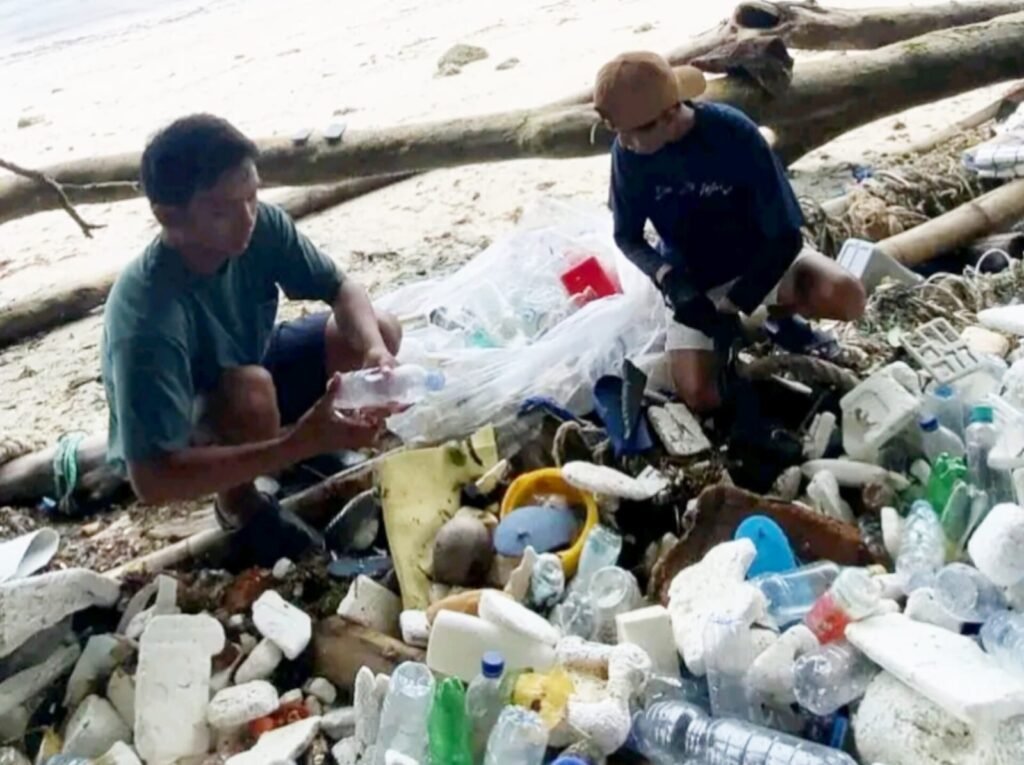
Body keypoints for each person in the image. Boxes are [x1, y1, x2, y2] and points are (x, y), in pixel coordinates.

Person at [101, 114, 401, 565]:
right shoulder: (147, 317)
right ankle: (239, 502)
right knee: (251, 394)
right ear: (169, 217)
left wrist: (375, 351)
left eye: (253, 196)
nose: (246, 220)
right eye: (222, 210)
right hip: (193, 418)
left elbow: (342, 288)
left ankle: (301, 449)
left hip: (251, 358)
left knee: (380, 329)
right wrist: (295, 443)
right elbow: (151, 480)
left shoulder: (260, 227)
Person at [594, 52, 866, 413]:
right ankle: (751, 342)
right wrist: (670, 280)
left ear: (671, 114)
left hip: (762, 259)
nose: (624, 143)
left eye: (633, 132)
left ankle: (782, 323)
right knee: (700, 397)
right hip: (695, 280)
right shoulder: (628, 155)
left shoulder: (731, 132)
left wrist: (737, 303)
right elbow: (627, 236)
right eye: (619, 133)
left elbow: (787, 235)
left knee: (845, 295)